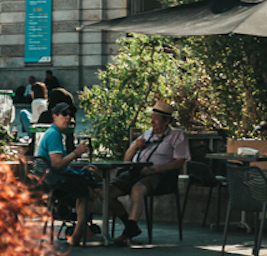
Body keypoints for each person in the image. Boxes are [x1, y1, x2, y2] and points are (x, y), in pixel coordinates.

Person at [110, 99, 190, 246]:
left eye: (156, 119)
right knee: (105, 192)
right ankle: (130, 225)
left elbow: (180, 161)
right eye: (151, 118)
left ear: (166, 121)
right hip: (135, 171)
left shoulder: (177, 136)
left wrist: (155, 169)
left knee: (137, 189)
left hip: (160, 176)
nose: (152, 121)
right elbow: (127, 159)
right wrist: (135, 147)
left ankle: (128, 233)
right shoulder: (147, 134)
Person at [34, 102, 111, 248]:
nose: (68, 118)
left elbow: (59, 164)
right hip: (54, 183)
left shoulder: (53, 133)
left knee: (86, 185)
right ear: (54, 116)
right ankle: (79, 234)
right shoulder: (54, 135)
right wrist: (76, 153)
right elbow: (57, 164)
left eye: (70, 115)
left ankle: (81, 231)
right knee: (88, 191)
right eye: (64, 114)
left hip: (49, 181)